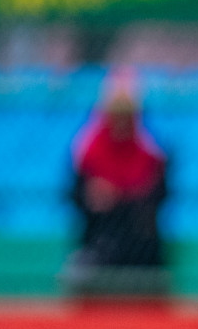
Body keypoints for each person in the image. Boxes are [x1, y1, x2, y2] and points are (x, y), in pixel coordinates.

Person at [63, 85, 169, 297]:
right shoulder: (89, 151)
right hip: (100, 238)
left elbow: (159, 196)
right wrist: (91, 196)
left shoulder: (149, 152)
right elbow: (72, 196)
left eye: (126, 116)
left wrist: (119, 195)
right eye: (116, 116)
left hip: (139, 242)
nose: (121, 123)